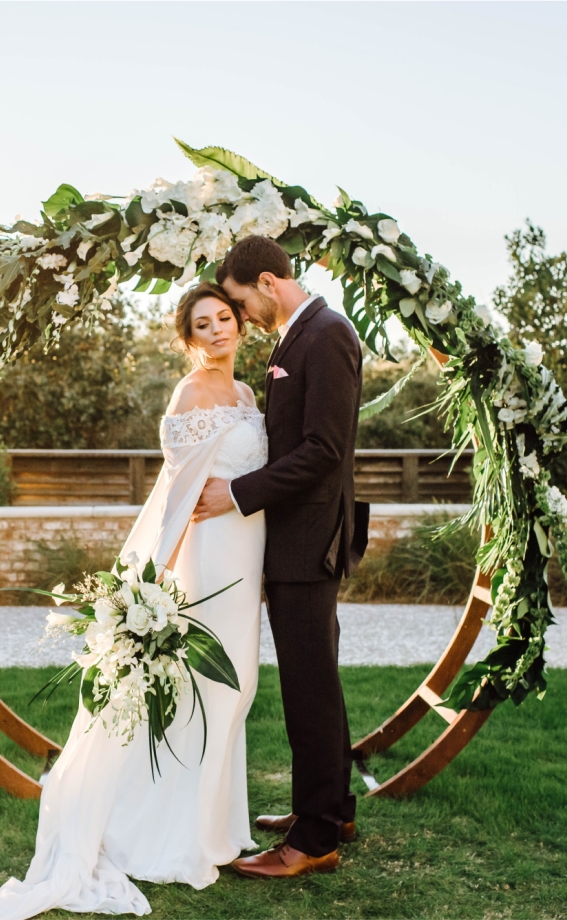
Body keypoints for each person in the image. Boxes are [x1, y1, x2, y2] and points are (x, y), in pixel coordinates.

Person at [0, 281, 269, 920]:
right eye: (201, 325)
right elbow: (176, 495)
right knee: (208, 691)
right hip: (205, 563)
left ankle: (219, 830)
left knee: (239, 688)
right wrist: (156, 584)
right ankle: (176, 839)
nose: (216, 332)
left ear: (240, 323)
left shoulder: (249, 395)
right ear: (187, 339)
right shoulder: (190, 393)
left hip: (246, 557)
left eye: (224, 318)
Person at [193, 234, 368, 879]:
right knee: (317, 680)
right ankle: (330, 808)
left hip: (308, 540)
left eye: (240, 301)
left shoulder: (326, 335)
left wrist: (238, 493)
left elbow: (325, 451)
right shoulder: (300, 335)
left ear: (268, 282)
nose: (240, 317)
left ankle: (315, 840)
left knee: (309, 687)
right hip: (295, 537)